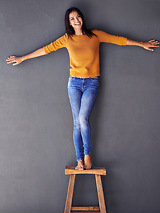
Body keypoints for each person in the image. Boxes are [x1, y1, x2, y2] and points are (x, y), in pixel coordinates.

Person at [6, 7, 159, 170]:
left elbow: (118, 40)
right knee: (77, 123)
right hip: (74, 84)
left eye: (78, 17)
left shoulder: (95, 35)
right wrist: (23, 58)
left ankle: (87, 155)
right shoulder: (67, 39)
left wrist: (141, 44)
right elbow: (46, 49)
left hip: (91, 83)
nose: (76, 20)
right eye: (72, 19)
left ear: (82, 18)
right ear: (69, 23)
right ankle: (79, 161)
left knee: (82, 119)